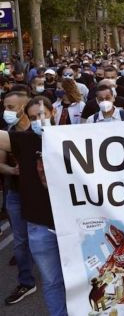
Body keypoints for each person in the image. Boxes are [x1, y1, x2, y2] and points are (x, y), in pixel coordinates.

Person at [0, 96, 68, 316]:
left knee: (82, 278)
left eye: (42, 115)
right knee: (52, 281)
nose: (39, 121)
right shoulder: (23, 140)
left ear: (53, 113)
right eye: (32, 118)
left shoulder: (74, 137)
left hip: (73, 224)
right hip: (40, 226)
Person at [0, 92, 37, 306]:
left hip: (42, 197)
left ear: (24, 109)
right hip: (16, 194)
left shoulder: (40, 131)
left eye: (12, 107)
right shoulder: (6, 135)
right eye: (5, 106)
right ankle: (26, 281)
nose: (7, 111)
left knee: (48, 239)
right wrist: (13, 171)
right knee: (21, 241)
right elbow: (0, 164)